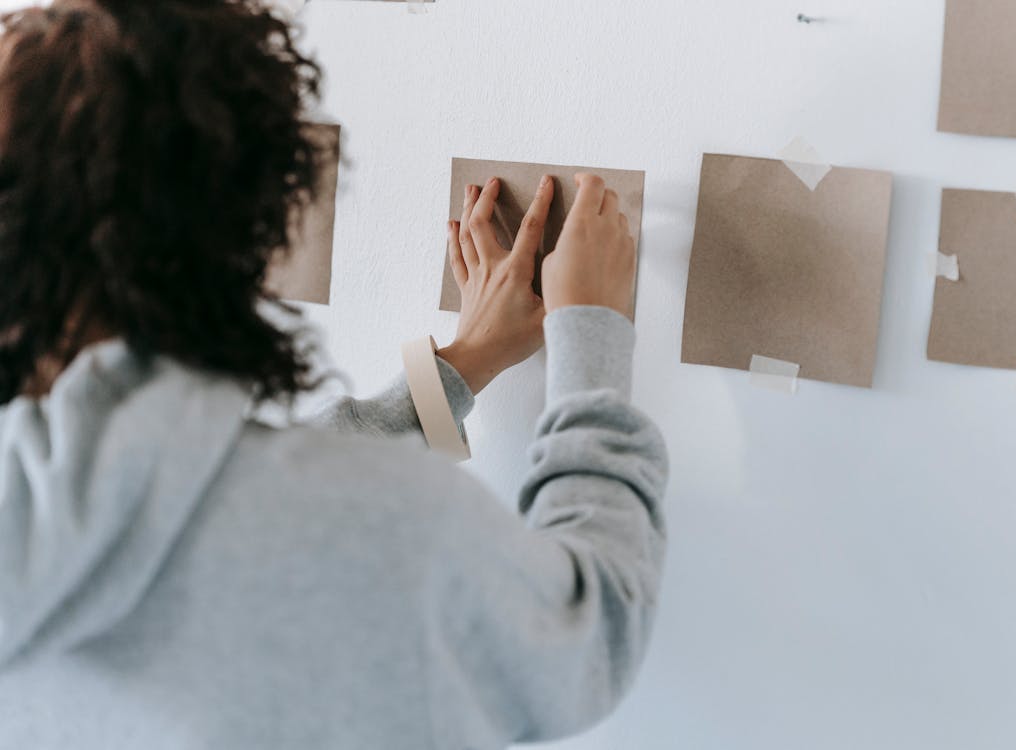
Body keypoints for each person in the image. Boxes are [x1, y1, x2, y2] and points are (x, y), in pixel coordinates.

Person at [0, 1, 668, 749]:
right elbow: (588, 638)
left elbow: (174, 485)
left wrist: (461, 367)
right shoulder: (377, 525)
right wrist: (591, 336)